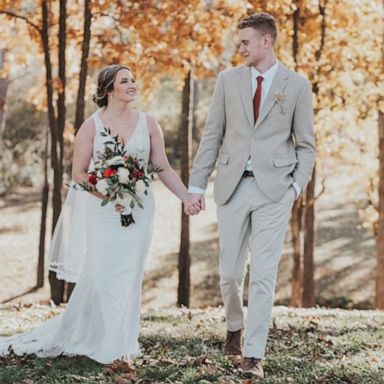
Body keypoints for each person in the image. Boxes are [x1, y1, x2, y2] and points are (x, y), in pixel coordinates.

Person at [0, 64, 200, 364]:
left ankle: (119, 342)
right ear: (109, 89)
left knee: (129, 274)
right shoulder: (91, 126)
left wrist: (185, 196)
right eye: (125, 81)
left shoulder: (149, 124)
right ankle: (93, 336)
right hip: (101, 210)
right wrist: (104, 191)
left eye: (133, 79)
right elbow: (79, 174)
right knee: (101, 273)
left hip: (140, 209)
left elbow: (162, 166)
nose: (132, 84)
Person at [186, 13, 316, 379]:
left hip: (275, 190)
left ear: (266, 41)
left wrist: (294, 188)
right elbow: (211, 135)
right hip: (231, 185)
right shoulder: (228, 81)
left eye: (245, 42)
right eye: (238, 42)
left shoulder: (296, 85)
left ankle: (253, 356)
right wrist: (196, 186)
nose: (239, 48)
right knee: (229, 273)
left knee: (263, 273)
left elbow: (306, 145)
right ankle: (234, 324)